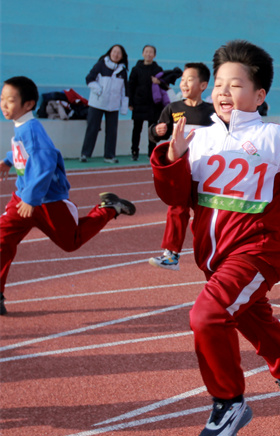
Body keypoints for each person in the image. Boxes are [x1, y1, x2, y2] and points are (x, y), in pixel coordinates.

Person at [150, 40, 280, 436]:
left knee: (208, 315)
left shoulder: (273, 138)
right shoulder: (200, 138)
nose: (223, 91)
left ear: (259, 95)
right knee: (250, 316)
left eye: (235, 84)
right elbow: (174, 198)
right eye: (219, 83)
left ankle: (228, 402)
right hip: (214, 256)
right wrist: (172, 157)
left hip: (260, 250)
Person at [0, 76, 136, 316]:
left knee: (70, 242)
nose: (4, 105)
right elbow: (26, 151)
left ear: (29, 104)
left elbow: (44, 161)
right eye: (2, 99)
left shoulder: (31, 128)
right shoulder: (22, 125)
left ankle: (108, 208)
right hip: (23, 198)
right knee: (2, 241)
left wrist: (32, 199)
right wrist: (9, 161)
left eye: (10, 100)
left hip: (47, 201)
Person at [148, 63, 216, 271]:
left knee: (206, 214)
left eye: (190, 79)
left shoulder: (212, 113)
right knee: (176, 208)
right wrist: (156, 131)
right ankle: (171, 254)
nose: (184, 83)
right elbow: (158, 133)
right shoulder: (173, 109)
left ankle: (213, 254)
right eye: (182, 79)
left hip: (205, 171)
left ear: (203, 85)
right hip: (180, 170)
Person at [81, 44, 128, 163]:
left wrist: (123, 107)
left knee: (112, 131)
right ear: (109, 53)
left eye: (119, 53)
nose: (116, 54)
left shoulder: (123, 70)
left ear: (122, 56)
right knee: (92, 128)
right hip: (97, 103)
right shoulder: (100, 65)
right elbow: (89, 79)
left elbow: (124, 90)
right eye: (114, 51)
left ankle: (109, 155)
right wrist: (99, 90)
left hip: (113, 106)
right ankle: (85, 154)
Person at [127, 45, 162, 161]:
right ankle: (134, 151)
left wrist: (159, 82)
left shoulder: (158, 69)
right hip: (138, 103)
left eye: (151, 52)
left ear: (154, 55)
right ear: (142, 54)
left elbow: (165, 85)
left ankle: (151, 152)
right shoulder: (136, 69)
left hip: (153, 105)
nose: (148, 54)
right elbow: (130, 86)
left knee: (152, 130)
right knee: (137, 129)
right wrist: (130, 102)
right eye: (146, 52)